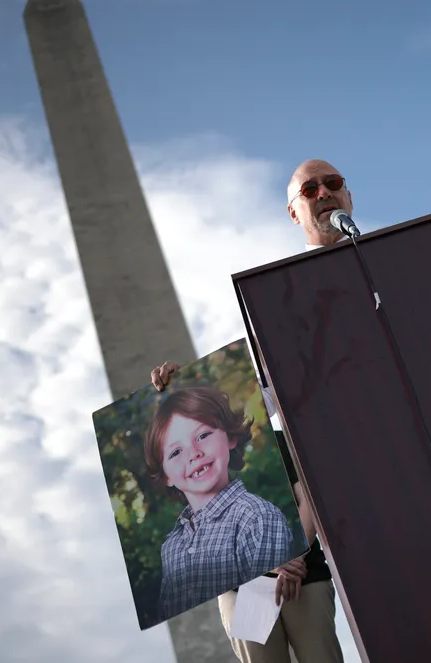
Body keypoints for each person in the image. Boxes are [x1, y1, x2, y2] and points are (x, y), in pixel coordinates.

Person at [150, 158, 352, 662]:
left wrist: (296, 555)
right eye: (311, 189)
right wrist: (178, 389)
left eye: (334, 184)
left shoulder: (271, 447)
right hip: (248, 585)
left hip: (303, 568)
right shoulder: (184, 529)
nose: (325, 193)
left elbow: (305, 490)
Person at [144, 385, 303, 622]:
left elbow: (264, 616)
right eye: (176, 452)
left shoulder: (256, 517)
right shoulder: (172, 546)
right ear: (166, 475)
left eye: (203, 436)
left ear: (230, 437)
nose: (193, 453)